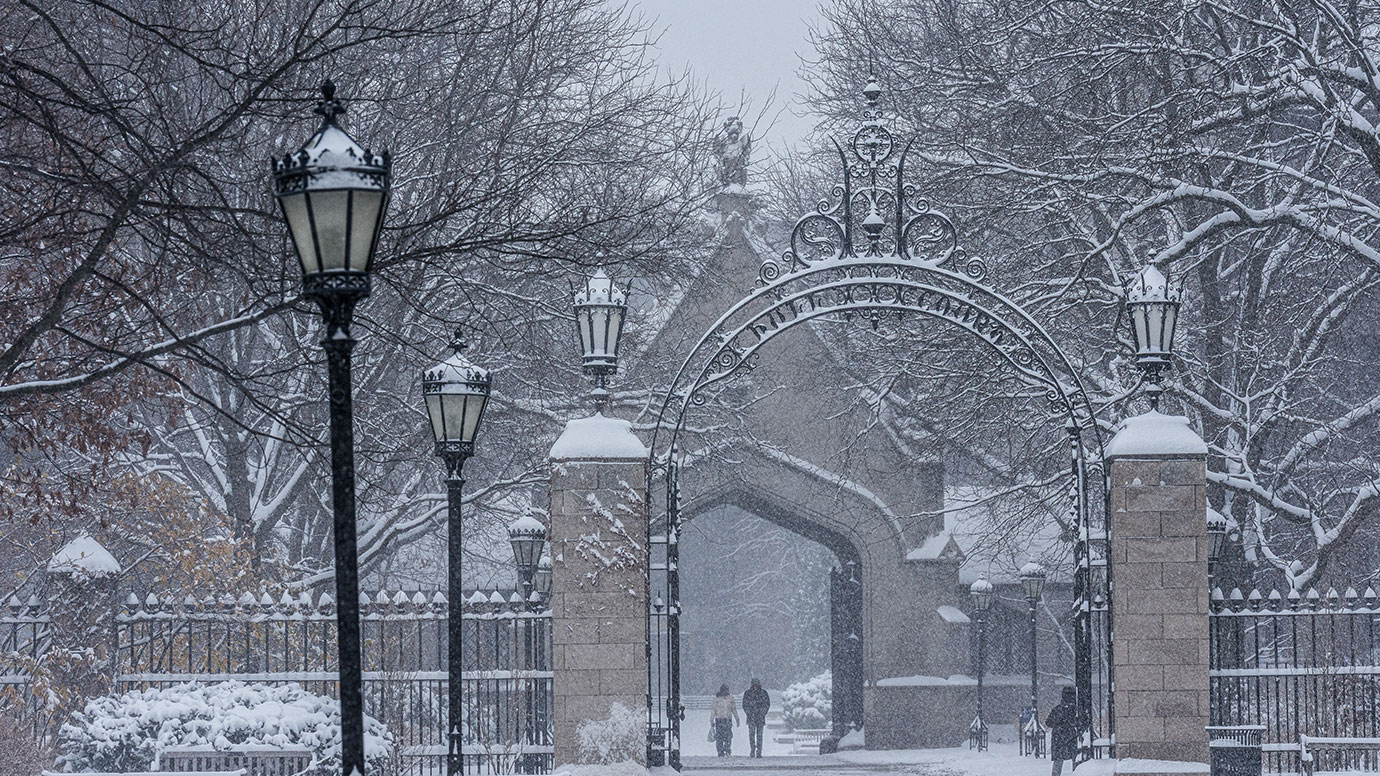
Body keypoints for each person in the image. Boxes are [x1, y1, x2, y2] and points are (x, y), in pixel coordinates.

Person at [1046, 686, 1079, 776]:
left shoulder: (1057, 709)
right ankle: (1077, 773)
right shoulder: (1077, 710)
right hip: (1072, 737)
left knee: (1058, 761)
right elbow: (1081, 722)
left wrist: (1058, 723)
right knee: (1076, 759)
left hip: (1059, 738)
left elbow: (1048, 722)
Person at [742, 679, 771, 758]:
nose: (755, 686)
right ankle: (752, 749)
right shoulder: (748, 693)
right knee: (752, 734)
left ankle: (759, 751)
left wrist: (763, 712)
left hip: (759, 717)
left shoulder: (763, 693)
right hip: (752, 717)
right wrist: (749, 712)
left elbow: (767, 704)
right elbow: (744, 705)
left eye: (756, 685)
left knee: (759, 735)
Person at [711, 683, 740, 756]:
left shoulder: (730, 699)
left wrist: (737, 719)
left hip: (727, 720)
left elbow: (733, 709)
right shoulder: (716, 699)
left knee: (728, 737)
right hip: (719, 719)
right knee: (719, 737)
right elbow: (713, 710)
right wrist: (711, 720)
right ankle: (720, 751)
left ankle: (727, 749)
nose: (726, 692)